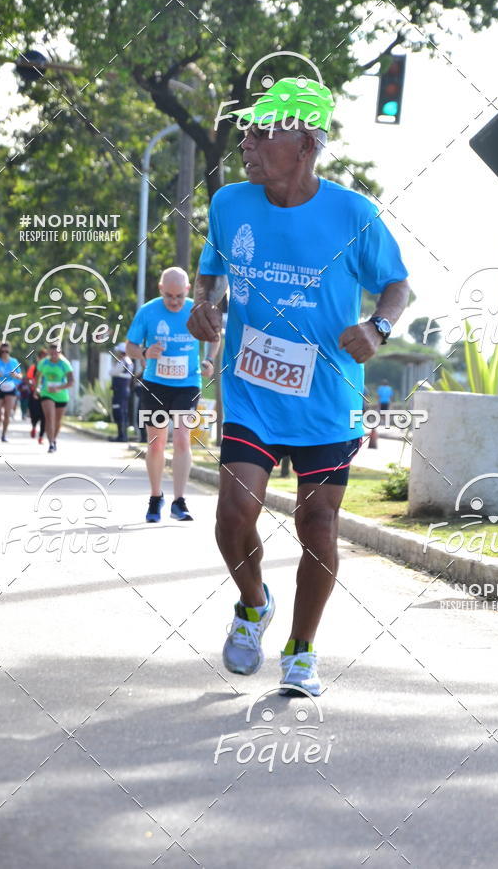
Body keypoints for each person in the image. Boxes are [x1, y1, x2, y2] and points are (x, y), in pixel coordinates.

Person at [188, 77, 410, 696]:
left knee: (317, 526)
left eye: (264, 132)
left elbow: (396, 284)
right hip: (253, 390)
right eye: (247, 131)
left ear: (306, 145)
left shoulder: (352, 214)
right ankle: (254, 603)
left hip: (327, 396)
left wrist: (379, 327)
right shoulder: (230, 204)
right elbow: (210, 276)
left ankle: (302, 651)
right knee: (235, 513)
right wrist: (201, 307)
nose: (248, 143)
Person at [126, 266, 219, 523]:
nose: (175, 301)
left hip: (187, 384)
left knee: (181, 439)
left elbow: (215, 335)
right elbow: (129, 346)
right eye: (169, 296)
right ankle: (156, 497)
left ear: (188, 290)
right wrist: (144, 353)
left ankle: (179, 501)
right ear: (160, 290)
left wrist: (209, 359)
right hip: (155, 384)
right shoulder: (148, 312)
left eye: (179, 296)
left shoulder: (196, 309)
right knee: (156, 442)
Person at [35, 343, 74, 453]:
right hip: (46, 393)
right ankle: (51, 443)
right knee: (49, 418)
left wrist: (59, 388)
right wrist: (36, 389)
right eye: (51, 353)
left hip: (61, 395)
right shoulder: (43, 363)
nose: (54, 355)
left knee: (57, 421)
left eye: (56, 353)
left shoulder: (65, 364)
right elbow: (37, 376)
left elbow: (71, 382)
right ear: (48, 352)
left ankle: (54, 439)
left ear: (60, 352)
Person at [0, 343, 22, 442]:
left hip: (11, 388)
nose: (4, 353)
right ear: (0, 351)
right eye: (2, 351)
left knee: (7, 413)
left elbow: (20, 375)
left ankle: (4, 434)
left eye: (7, 351)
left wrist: (16, 375)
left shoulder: (14, 361)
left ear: (10, 351)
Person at [109, 342, 133, 442]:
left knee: (119, 412)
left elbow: (112, 372)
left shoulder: (122, 362)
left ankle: (121, 436)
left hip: (120, 391)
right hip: (124, 390)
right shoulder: (129, 362)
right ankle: (122, 435)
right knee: (123, 412)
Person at [27, 348, 47, 443]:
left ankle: (41, 436)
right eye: (41, 357)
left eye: (45, 357)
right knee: (34, 414)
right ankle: (34, 426)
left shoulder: (49, 368)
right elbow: (28, 379)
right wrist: (33, 384)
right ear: (38, 358)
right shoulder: (33, 368)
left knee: (44, 416)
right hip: (34, 394)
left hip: (46, 394)